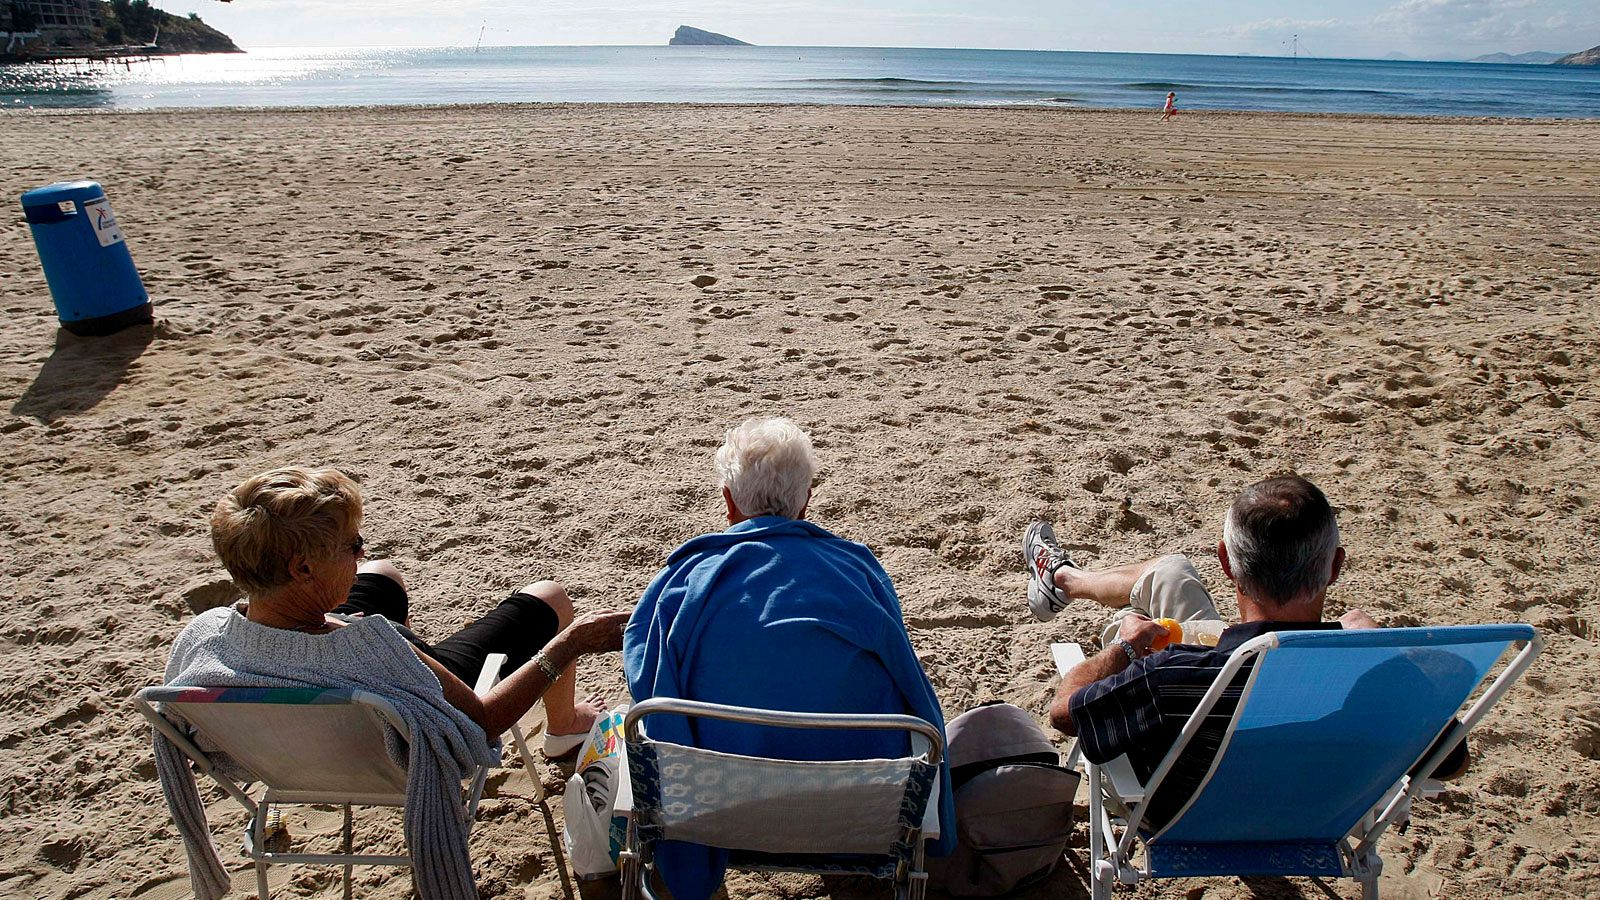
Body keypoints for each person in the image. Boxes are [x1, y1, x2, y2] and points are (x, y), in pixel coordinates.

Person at [154, 466, 627, 900]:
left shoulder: (203, 639)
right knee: (551, 598)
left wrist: (338, 624)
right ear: (302, 569)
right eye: (351, 546)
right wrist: (569, 644)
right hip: (389, 706)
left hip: (282, 759)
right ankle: (563, 725)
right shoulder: (375, 647)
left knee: (383, 575)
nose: (360, 553)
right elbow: (482, 722)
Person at [624, 418, 954, 900]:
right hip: (855, 812)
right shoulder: (857, 571)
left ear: (728, 502)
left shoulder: (683, 582)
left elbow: (648, 682)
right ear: (806, 499)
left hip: (718, 810)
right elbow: (913, 687)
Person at [1023, 474, 1466, 832]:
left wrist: (1124, 646)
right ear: (1334, 567)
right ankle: (1065, 579)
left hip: (1180, 812)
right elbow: (1453, 762)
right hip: (1319, 814)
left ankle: (1062, 578)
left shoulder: (1173, 674)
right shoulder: (1375, 676)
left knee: (1162, 585)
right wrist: (1374, 647)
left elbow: (1064, 712)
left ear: (1226, 563)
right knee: (1171, 575)